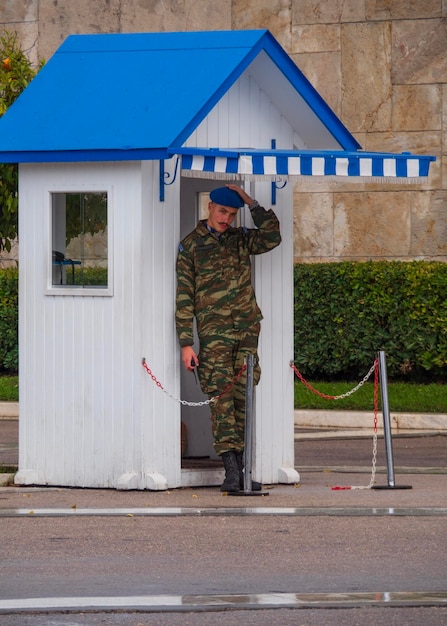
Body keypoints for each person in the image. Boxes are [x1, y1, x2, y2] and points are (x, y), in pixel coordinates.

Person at [175, 184, 281, 492]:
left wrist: (250, 201)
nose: (226, 219)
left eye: (232, 214)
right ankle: (231, 471)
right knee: (221, 400)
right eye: (222, 211)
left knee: (242, 398)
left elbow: (272, 235)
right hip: (215, 334)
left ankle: (244, 470)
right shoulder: (191, 246)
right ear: (209, 207)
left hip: (247, 331)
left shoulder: (240, 240)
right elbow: (185, 297)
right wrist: (186, 343)